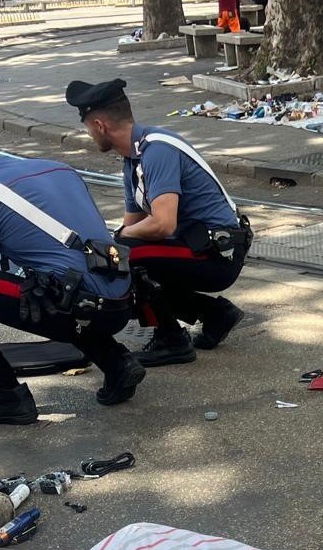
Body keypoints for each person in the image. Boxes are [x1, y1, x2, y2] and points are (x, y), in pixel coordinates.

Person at [0, 115, 144, 425]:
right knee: (52, 280)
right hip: (121, 299)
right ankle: (117, 363)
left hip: (81, 307)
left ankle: (7, 395)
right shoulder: (57, 167)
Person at [65, 78, 252, 368]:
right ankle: (215, 314)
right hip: (196, 245)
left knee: (127, 256)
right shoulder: (134, 159)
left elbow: (162, 224)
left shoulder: (157, 151)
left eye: (88, 127)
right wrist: (111, 245)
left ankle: (171, 340)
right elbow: (132, 225)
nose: (89, 134)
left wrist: (119, 242)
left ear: (100, 125)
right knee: (117, 256)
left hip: (218, 255)